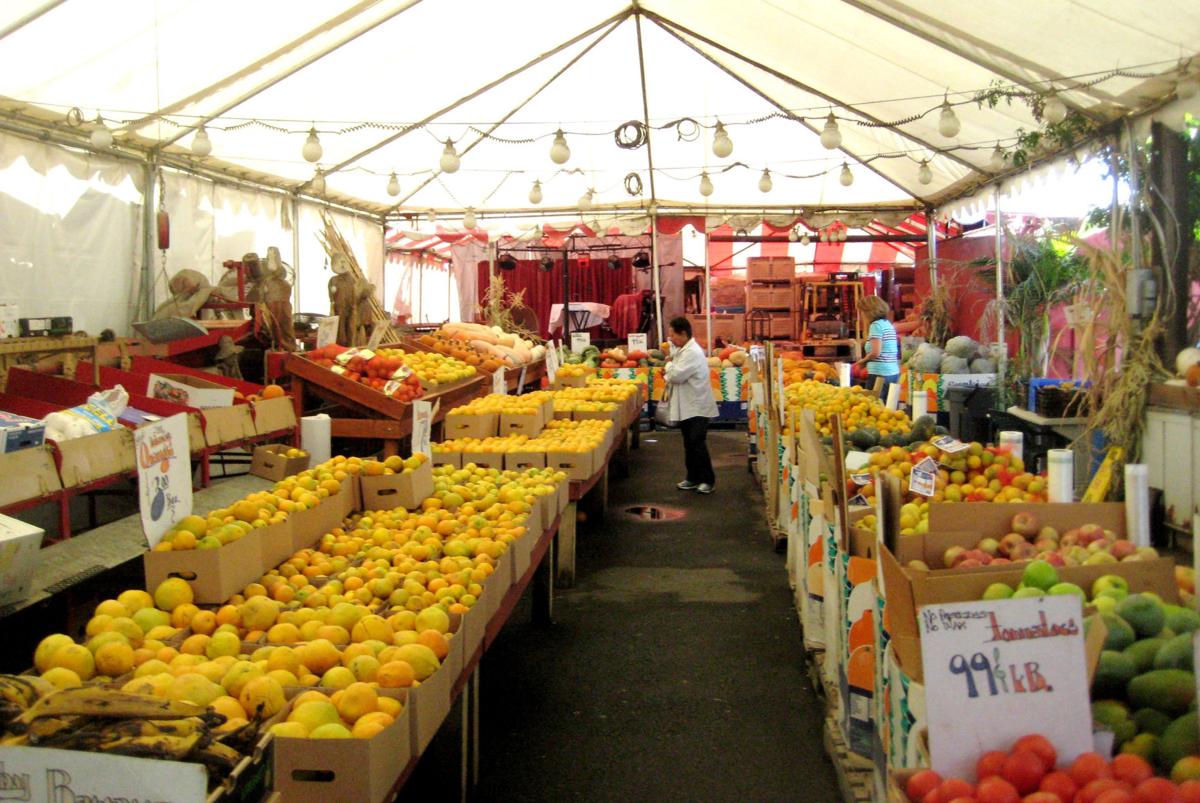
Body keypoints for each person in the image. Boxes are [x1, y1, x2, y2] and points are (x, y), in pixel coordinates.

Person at [664, 316, 718, 494]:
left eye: (673, 335)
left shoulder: (692, 352)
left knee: (697, 442)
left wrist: (668, 367)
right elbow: (674, 372)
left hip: (697, 406)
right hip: (688, 405)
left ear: (683, 333)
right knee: (689, 442)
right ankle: (692, 477)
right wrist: (671, 367)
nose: (670, 339)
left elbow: (675, 376)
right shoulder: (683, 349)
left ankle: (708, 480)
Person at [854, 295, 900, 397]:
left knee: (875, 406)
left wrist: (862, 362)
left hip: (880, 374)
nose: (862, 315)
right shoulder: (887, 324)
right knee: (888, 407)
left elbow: (876, 352)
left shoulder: (876, 326)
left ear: (869, 312)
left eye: (862, 312)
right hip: (892, 373)